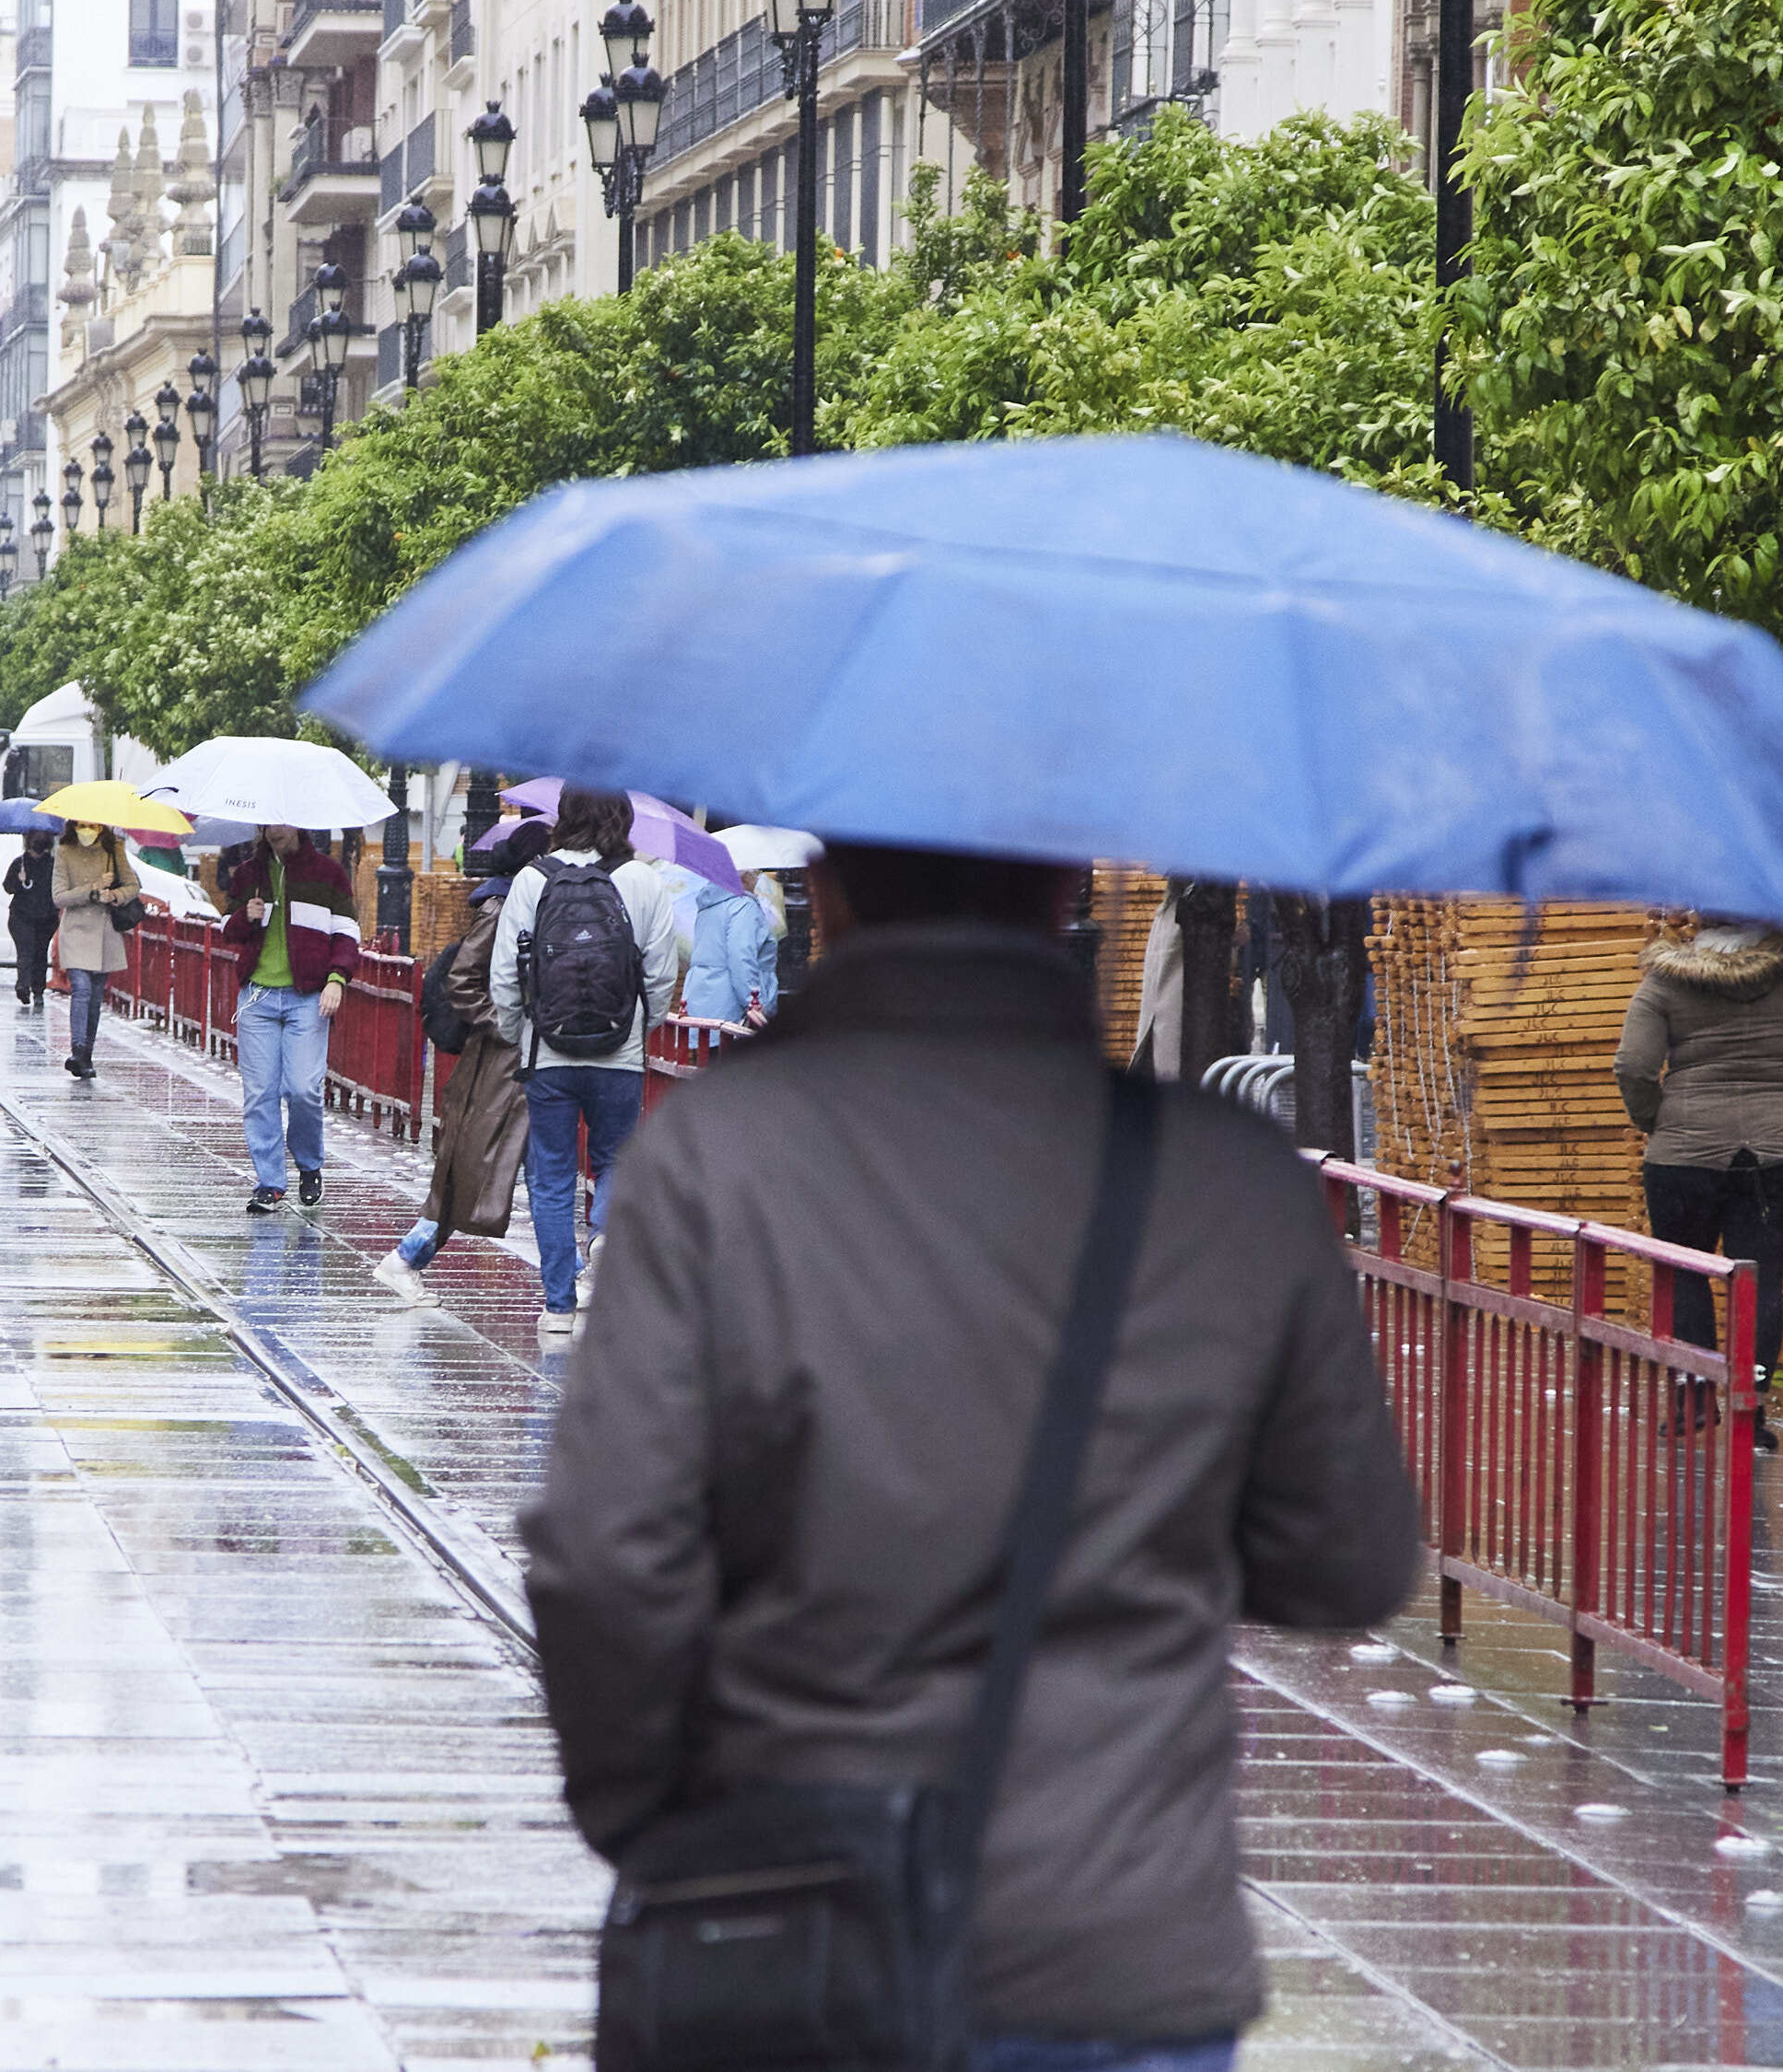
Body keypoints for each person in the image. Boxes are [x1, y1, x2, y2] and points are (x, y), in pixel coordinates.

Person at [520, 841, 1422, 2069]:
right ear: (1062, 889)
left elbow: (606, 1554)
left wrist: (657, 1821)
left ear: (829, 892)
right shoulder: (1227, 1180)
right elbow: (1349, 1559)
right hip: (1115, 1941)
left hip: (797, 1918)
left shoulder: (717, 1158)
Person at [1614, 920, 1783, 1442]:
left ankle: (1694, 1399)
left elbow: (1633, 1066)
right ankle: (1752, 1410)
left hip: (1684, 1155)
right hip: (1782, 1152)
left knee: (1685, 1272)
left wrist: (1662, 1119)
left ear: (1701, 919)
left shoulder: (1665, 983)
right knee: (1763, 1279)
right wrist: (1778, 1086)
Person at [490, 788, 682, 1332]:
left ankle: (557, 1305)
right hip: (619, 1054)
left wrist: (519, 1033)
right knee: (617, 1159)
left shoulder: (533, 879)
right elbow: (661, 973)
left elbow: (505, 975)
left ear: (564, 817)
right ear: (621, 819)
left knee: (550, 1174)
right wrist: (644, 1027)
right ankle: (603, 1232)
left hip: (547, 1052)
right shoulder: (643, 881)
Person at [374, 821, 548, 1304]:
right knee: (482, 1170)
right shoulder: (504, 909)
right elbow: (464, 981)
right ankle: (407, 1257)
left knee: (522, 1168)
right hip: (502, 1064)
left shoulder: (531, 906)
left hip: (523, 1061)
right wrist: (507, 1025)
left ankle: (407, 1257)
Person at [212, 823, 360, 1212]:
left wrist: (337, 979)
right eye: (265, 824)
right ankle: (270, 1183)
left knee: (303, 1089)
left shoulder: (328, 873)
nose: (271, 830)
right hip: (257, 997)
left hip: (307, 998)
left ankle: (309, 1164)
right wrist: (246, 915)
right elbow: (228, 930)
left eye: (278, 822)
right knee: (259, 1094)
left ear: (297, 822)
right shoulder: (249, 873)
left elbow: (347, 932)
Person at [51, 819, 140, 1080]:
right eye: (81, 825)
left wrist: (114, 895)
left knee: (95, 997)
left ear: (102, 827)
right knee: (81, 989)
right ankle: (77, 1050)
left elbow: (133, 886)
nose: (86, 831)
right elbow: (59, 896)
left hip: (106, 933)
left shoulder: (115, 850)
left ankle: (87, 1054)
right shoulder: (64, 852)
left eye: (92, 826)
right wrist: (92, 889)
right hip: (76, 931)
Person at [681, 869, 781, 1026]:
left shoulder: (709, 905)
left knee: (707, 1049)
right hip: (731, 1009)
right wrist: (755, 1003)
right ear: (745, 876)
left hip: (701, 1001)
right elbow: (742, 958)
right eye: (756, 873)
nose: (757, 879)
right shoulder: (744, 906)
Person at [3, 831, 61, 1010]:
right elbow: (8, 887)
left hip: (46, 917)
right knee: (26, 950)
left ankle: (37, 989)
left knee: (39, 952)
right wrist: (19, 881)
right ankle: (24, 986)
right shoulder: (20, 863)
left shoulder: (53, 865)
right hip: (22, 916)